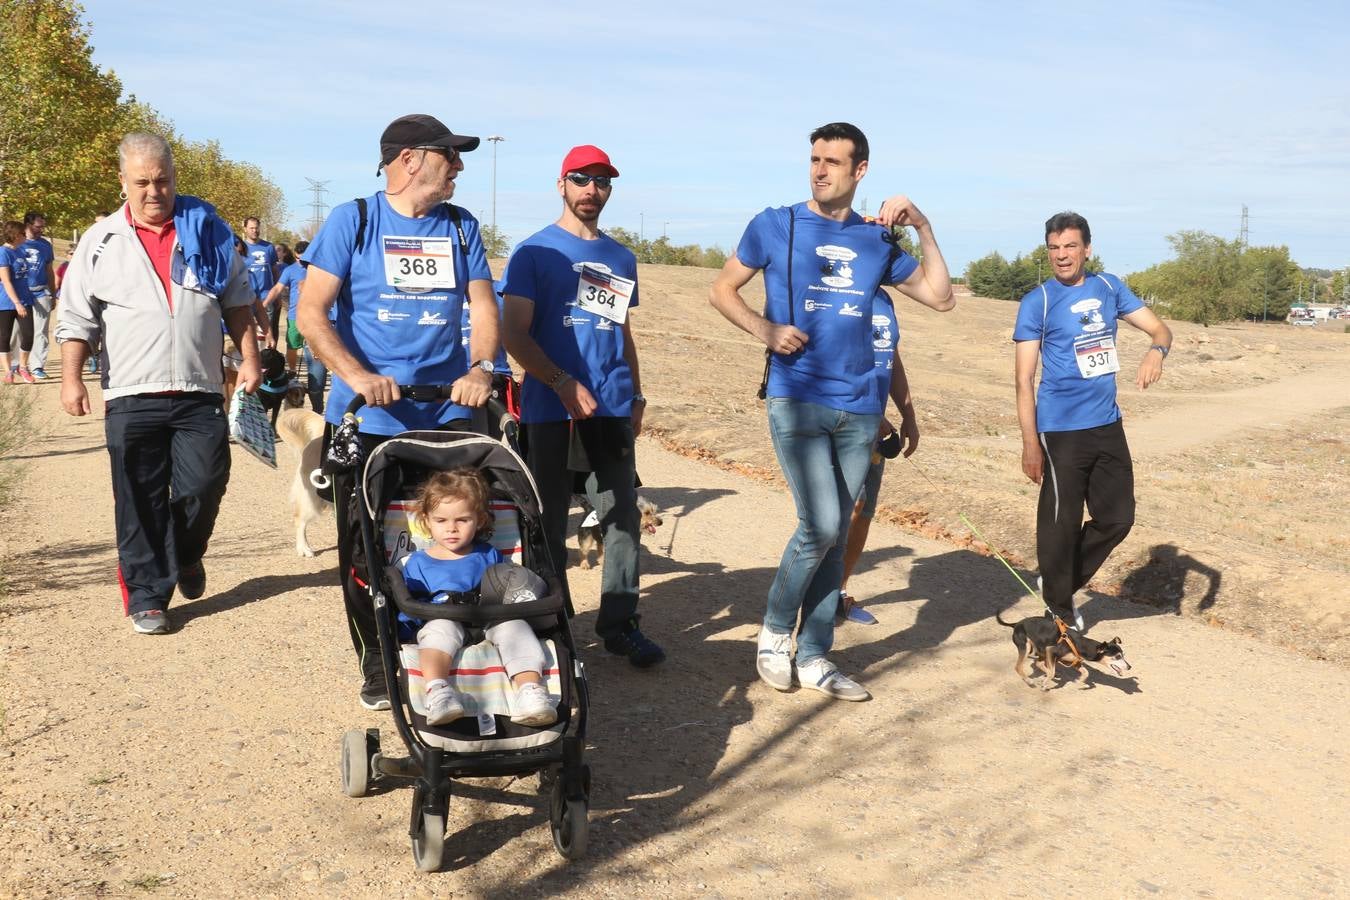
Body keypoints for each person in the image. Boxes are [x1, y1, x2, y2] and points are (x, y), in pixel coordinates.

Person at [709, 122, 955, 701]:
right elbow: (722, 290)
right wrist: (765, 329)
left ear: (859, 171)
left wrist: (922, 225)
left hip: (862, 409)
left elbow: (942, 297)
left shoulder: (876, 241)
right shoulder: (776, 224)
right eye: (814, 159)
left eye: (833, 162)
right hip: (797, 399)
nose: (819, 170)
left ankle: (816, 654)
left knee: (837, 530)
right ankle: (774, 633)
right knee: (819, 525)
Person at [297, 113, 498, 710]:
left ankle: (458, 642)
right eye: (450, 155)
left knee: (467, 537)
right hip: (369, 417)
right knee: (366, 549)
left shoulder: (461, 227)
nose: (459, 166)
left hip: (447, 417)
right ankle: (380, 660)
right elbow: (311, 313)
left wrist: (482, 368)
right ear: (409, 159)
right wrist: (358, 376)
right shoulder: (352, 220)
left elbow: (484, 307)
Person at [54, 131, 262, 635]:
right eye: (142, 182)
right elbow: (76, 316)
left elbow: (237, 301)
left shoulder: (207, 231)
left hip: (199, 390)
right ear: (122, 181)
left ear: (174, 179)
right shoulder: (100, 240)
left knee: (205, 484)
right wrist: (71, 378)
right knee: (139, 496)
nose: (154, 191)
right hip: (131, 392)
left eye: (163, 180)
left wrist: (250, 358)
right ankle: (148, 594)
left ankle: (187, 554)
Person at [500, 144, 665, 668]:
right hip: (551, 408)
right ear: (562, 185)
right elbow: (513, 335)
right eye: (581, 179)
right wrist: (560, 381)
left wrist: (636, 394)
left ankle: (620, 624)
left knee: (621, 517)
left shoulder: (619, 257)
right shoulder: (533, 252)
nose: (592, 190)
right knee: (548, 521)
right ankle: (552, 625)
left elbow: (622, 332)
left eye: (601, 181)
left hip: (612, 406)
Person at [1014, 211, 1172, 631]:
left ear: (1087, 248)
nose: (1061, 255)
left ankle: (1058, 584)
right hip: (1059, 427)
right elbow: (1023, 379)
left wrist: (1157, 351)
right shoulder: (1039, 302)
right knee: (1060, 523)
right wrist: (1031, 443)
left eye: (1069, 246)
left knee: (1118, 517)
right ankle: (1060, 608)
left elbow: (1160, 331)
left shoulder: (1109, 287)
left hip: (1106, 423)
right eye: (1053, 247)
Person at [400, 468, 556, 727]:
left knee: (516, 628)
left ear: (479, 519)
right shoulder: (416, 563)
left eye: (462, 520)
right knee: (437, 630)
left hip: (491, 617)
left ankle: (529, 691)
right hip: (443, 618)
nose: (452, 528)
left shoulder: (489, 554)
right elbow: (408, 607)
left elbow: (509, 584)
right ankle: (438, 691)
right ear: (426, 521)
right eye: (441, 521)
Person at [837, 288, 919, 626]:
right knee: (845, 507)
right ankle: (812, 597)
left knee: (865, 510)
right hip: (843, 419)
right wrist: (875, 416)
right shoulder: (843, 293)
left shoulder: (884, 299)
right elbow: (836, 362)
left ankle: (837, 593)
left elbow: (891, 358)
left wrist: (908, 413)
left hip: (875, 425)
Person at [19, 212, 56, 379]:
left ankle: (37, 366)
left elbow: (49, 270)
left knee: (40, 331)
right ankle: (16, 365)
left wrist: (53, 293)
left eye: (43, 226)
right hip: (20, 294)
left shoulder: (45, 245)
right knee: (17, 330)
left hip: (41, 292)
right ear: (27, 225)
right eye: (38, 226)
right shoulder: (17, 244)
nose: (41, 229)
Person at [263, 240, 307, 375]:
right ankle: (293, 372)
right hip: (295, 316)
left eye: (304, 258)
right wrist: (263, 305)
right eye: (299, 258)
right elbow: (277, 289)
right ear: (295, 255)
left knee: (315, 351)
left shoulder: (319, 269)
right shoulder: (290, 270)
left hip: (315, 317)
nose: (302, 262)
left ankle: (315, 382)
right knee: (292, 346)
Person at [0, 221, 36, 384]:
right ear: (15, 235)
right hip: (6, 302)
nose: (25, 236)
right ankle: (8, 372)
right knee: (4, 337)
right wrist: (17, 303)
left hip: (25, 299)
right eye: (23, 233)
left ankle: (22, 367)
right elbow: (6, 281)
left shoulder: (21, 251)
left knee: (28, 335)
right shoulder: (3, 252)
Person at [242, 216, 278, 345]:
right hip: (247, 296)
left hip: (266, 296)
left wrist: (277, 293)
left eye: (256, 228)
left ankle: (265, 361)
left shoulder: (268, 247)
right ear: (245, 229)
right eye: (251, 228)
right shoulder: (240, 247)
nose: (254, 231)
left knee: (266, 333)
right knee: (248, 332)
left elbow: (274, 270)